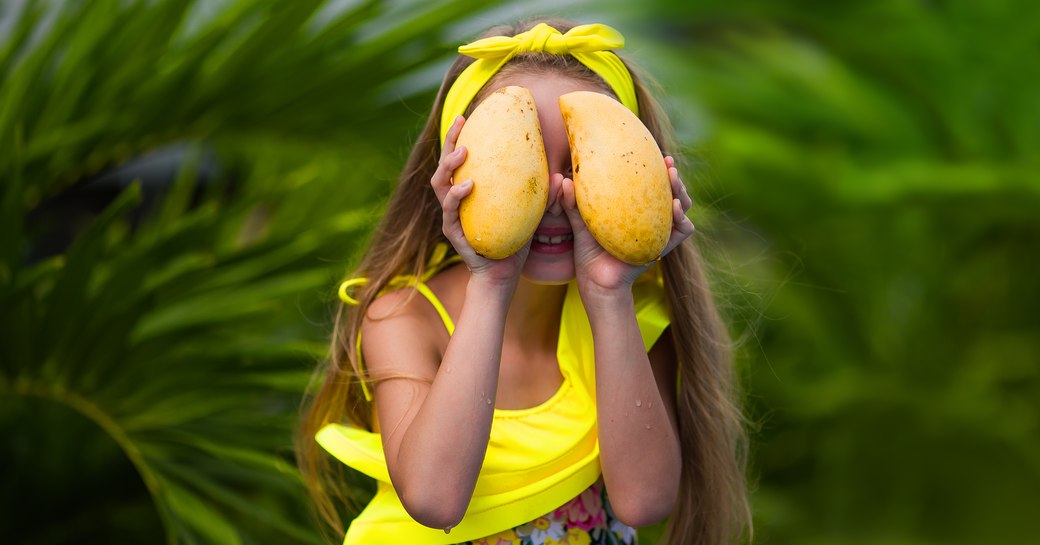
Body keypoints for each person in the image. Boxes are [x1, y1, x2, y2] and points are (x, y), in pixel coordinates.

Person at [297, 17, 751, 545]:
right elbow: (434, 499)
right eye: (522, 165)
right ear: (449, 178)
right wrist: (490, 283)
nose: (553, 197)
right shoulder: (403, 315)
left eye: (581, 165)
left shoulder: (633, 316)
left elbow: (644, 500)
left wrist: (609, 296)